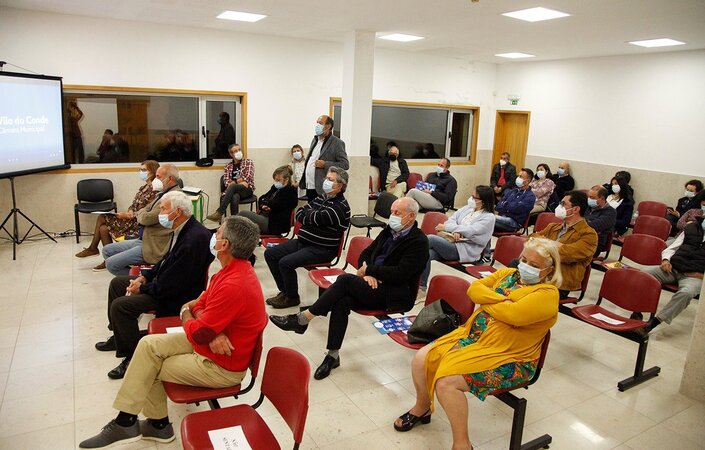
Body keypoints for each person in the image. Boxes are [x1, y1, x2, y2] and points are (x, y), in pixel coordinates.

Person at [79, 216, 266, 449]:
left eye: (218, 232)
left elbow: (197, 329)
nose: (213, 235)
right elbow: (200, 306)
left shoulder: (234, 284)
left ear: (225, 244)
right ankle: (147, 424)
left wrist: (189, 313)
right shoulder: (227, 272)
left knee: (151, 367)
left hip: (222, 366)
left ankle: (137, 423)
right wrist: (202, 321)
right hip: (210, 346)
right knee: (148, 345)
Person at [393, 237, 561, 450]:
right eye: (524, 260)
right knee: (420, 359)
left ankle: (462, 444)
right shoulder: (509, 275)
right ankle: (422, 407)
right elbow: (474, 290)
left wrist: (488, 300)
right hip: (473, 337)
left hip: (509, 356)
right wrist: (503, 301)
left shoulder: (548, 294)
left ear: (549, 270)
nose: (525, 267)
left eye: (534, 265)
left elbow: (513, 315)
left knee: (447, 384)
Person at [269, 197, 429, 380]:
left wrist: (369, 270)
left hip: (395, 293)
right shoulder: (389, 230)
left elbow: (401, 274)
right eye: (392, 212)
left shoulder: (419, 241)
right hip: (373, 283)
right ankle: (332, 355)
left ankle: (303, 319)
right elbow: (366, 253)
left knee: (345, 281)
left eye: (397, 213)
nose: (392, 216)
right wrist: (367, 272)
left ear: (411, 216)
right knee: (342, 300)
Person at [94, 191, 214, 380]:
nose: (160, 213)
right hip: (167, 283)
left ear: (178, 211)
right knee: (117, 284)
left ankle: (131, 357)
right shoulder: (182, 228)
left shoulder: (193, 239)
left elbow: (173, 285)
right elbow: (166, 261)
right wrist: (144, 277)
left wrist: (142, 288)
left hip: (177, 295)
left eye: (164, 209)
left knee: (121, 307)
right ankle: (118, 336)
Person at [264, 167, 351, 308]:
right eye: (326, 178)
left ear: (339, 186)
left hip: (322, 249)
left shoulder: (340, 206)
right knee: (270, 254)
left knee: (285, 263)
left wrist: (309, 217)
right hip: (303, 242)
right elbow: (301, 212)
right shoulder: (322, 197)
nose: (325, 181)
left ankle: (292, 298)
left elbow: (315, 217)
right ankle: (285, 291)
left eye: (330, 179)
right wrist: (311, 218)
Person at [76, 160, 160, 270]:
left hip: (138, 223)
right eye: (140, 169)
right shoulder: (143, 187)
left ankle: (93, 248)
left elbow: (149, 212)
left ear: (153, 171)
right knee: (103, 229)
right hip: (131, 219)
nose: (141, 172)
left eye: (144, 170)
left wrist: (130, 215)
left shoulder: (155, 189)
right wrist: (130, 211)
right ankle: (108, 260)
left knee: (102, 217)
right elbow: (134, 205)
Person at [101, 164, 181, 276]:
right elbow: (144, 210)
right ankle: (140, 276)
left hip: (154, 245)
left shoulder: (173, 198)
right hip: (144, 238)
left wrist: (141, 214)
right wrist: (142, 213)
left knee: (111, 264)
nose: (155, 180)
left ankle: (146, 280)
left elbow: (146, 219)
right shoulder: (163, 193)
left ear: (170, 179)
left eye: (158, 177)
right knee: (107, 250)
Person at [420, 186, 496, 290]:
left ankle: (407, 250)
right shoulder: (468, 208)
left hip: (465, 250)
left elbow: (471, 230)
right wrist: (456, 230)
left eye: (474, 197)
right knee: (426, 254)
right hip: (451, 241)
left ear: (483, 201)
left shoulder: (489, 217)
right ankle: (421, 286)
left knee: (431, 239)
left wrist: (452, 229)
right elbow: (451, 220)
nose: (471, 199)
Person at [640, 215, 705, 334]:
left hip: (694, 276)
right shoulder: (691, 228)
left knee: (686, 293)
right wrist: (665, 260)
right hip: (673, 269)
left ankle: (654, 323)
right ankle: (637, 310)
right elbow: (672, 247)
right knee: (643, 274)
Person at [530, 191, 597, 297]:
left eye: (563, 204)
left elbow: (567, 254)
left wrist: (544, 244)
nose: (559, 206)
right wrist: (554, 245)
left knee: (525, 295)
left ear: (575, 209)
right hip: (540, 272)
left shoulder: (589, 234)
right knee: (514, 267)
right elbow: (531, 239)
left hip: (560, 281)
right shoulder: (553, 227)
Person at [300, 115, 349, 201]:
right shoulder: (315, 140)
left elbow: (345, 164)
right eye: (317, 123)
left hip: (322, 188)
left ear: (328, 126)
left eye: (320, 123)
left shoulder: (337, 143)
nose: (317, 125)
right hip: (310, 185)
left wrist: (325, 164)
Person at [238, 165, 298, 236]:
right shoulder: (275, 188)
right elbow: (262, 198)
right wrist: (264, 205)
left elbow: (276, 205)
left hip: (274, 224)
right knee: (241, 221)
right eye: (275, 180)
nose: (276, 182)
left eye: (278, 180)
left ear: (286, 180)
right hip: (265, 216)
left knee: (243, 214)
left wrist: (268, 205)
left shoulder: (290, 192)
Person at [207, 144, 255, 222]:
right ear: (231, 154)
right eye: (235, 151)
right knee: (234, 196)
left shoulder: (248, 162)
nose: (238, 152)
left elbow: (248, 177)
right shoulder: (228, 166)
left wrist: (234, 182)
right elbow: (226, 182)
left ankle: (219, 212)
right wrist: (240, 182)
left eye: (239, 150)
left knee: (233, 187)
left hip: (247, 190)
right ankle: (234, 222)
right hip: (234, 191)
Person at [494, 168, 536, 233]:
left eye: (520, 176)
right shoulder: (512, 191)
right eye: (518, 176)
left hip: (514, 222)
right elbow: (498, 206)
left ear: (527, 181)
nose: (518, 178)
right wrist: (511, 205)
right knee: (485, 219)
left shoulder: (530, 196)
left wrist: (505, 204)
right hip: (502, 218)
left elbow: (517, 209)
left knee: (489, 218)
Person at [585, 185, 617, 256]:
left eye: (592, 198)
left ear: (602, 198)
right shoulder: (587, 207)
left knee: (567, 252)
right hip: (579, 238)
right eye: (588, 197)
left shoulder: (610, 212)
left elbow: (594, 226)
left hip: (595, 243)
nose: (589, 199)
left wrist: (579, 223)